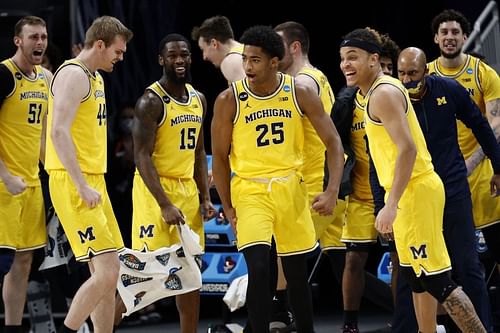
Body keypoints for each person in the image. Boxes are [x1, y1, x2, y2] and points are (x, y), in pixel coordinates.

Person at [339, 27, 486, 333]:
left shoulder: (383, 93)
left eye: (353, 57)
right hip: (407, 193)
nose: (345, 64)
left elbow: (408, 149)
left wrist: (389, 205)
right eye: (342, 59)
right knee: (415, 277)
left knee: (437, 280)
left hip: (415, 191)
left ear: (374, 59)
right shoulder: (371, 93)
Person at [211, 25, 344, 333]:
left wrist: (332, 189)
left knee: (296, 275)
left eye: (255, 60)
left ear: (274, 61)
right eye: (245, 59)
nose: (247, 67)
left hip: (290, 188)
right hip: (250, 189)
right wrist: (228, 206)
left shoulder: (299, 91)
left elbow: (334, 143)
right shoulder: (228, 99)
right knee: (259, 267)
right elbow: (219, 157)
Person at [390, 46, 500, 333]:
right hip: (414, 194)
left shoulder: (447, 89)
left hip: (451, 187)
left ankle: (482, 327)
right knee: (410, 270)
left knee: (467, 264)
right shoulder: (392, 98)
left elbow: (481, 125)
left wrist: (498, 166)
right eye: (401, 73)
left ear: (426, 71)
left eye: (413, 73)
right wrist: (384, 204)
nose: (407, 80)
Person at [45, 16, 132, 333]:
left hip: (93, 179)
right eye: (117, 52)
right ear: (99, 44)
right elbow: (58, 133)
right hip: (74, 181)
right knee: (107, 274)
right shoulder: (73, 74)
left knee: (110, 275)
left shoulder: (95, 77)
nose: (120, 58)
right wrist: (81, 185)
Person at [130, 33, 215, 333]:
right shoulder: (150, 102)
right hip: (155, 191)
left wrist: (205, 198)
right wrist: (164, 203)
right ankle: (99, 327)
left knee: (191, 275)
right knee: (144, 274)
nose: (179, 60)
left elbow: (199, 152)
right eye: (172, 55)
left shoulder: (199, 99)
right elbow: (141, 157)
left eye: (184, 55)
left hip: (187, 192)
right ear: (161, 60)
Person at [274, 20, 346, 331]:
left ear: (294, 47)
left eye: (279, 47)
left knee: (284, 252)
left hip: (317, 183)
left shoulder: (304, 83)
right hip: (327, 179)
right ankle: (402, 314)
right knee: (346, 264)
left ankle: (276, 316)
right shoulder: (315, 77)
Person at [332, 30, 398, 332]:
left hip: (392, 193)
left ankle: (402, 319)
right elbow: (335, 147)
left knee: (402, 262)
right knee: (353, 261)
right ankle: (349, 324)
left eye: (388, 67)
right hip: (360, 196)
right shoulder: (348, 101)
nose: (384, 72)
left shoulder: (393, 96)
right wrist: (334, 188)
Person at [428, 9, 500, 270]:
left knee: (496, 246)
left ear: (465, 37)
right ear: (436, 38)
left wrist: (473, 161)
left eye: (455, 32)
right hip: (441, 174)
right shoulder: (425, 76)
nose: (450, 37)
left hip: (481, 172)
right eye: (444, 32)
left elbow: (496, 125)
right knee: (448, 254)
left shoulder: (484, 74)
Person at [0, 16, 52, 333]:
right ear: (18, 40)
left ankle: (13, 328)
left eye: (44, 37)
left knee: (23, 263)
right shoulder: (4, 74)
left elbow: (43, 137)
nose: (40, 42)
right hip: (4, 184)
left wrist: (62, 178)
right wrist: (4, 175)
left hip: (31, 184)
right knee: (2, 262)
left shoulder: (44, 79)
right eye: (33, 37)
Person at [191, 15, 245, 83]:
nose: (204, 57)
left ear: (214, 43)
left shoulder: (230, 61)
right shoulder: (247, 51)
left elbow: (251, 93)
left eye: (203, 49)